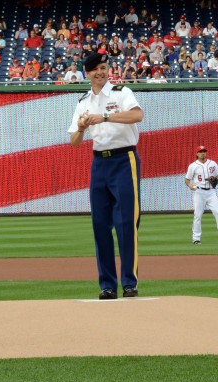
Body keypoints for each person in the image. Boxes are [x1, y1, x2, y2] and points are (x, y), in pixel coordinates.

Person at [68, 53, 144, 300]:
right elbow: (74, 141)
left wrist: (106, 116)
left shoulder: (121, 92)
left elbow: (136, 115)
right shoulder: (83, 101)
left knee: (125, 224)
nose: (100, 72)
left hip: (124, 159)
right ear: (87, 73)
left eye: (103, 67)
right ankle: (107, 285)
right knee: (100, 226)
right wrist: (81, 128)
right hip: (99, 162)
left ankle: (129, 282)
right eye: (95, 69)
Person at [185, 146, 218, 245]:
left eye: (204, 151)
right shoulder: (193, 166)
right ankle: (196, 238)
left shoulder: (212, 163)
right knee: (198, 215)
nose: (203, 153)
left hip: (211, 192)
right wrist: (190, 186)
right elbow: (187, 180)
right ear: (197, 154)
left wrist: (214, 178)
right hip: (199, 192)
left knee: (217, 212)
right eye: (200, 152)